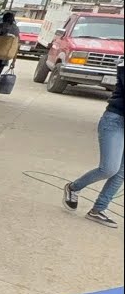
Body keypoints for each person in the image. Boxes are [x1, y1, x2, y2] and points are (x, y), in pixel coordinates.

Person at [62, 59, 123, 228]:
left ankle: (98, 209)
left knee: (121, 172)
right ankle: (74, 188)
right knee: (109, 168)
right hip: (115, 121)